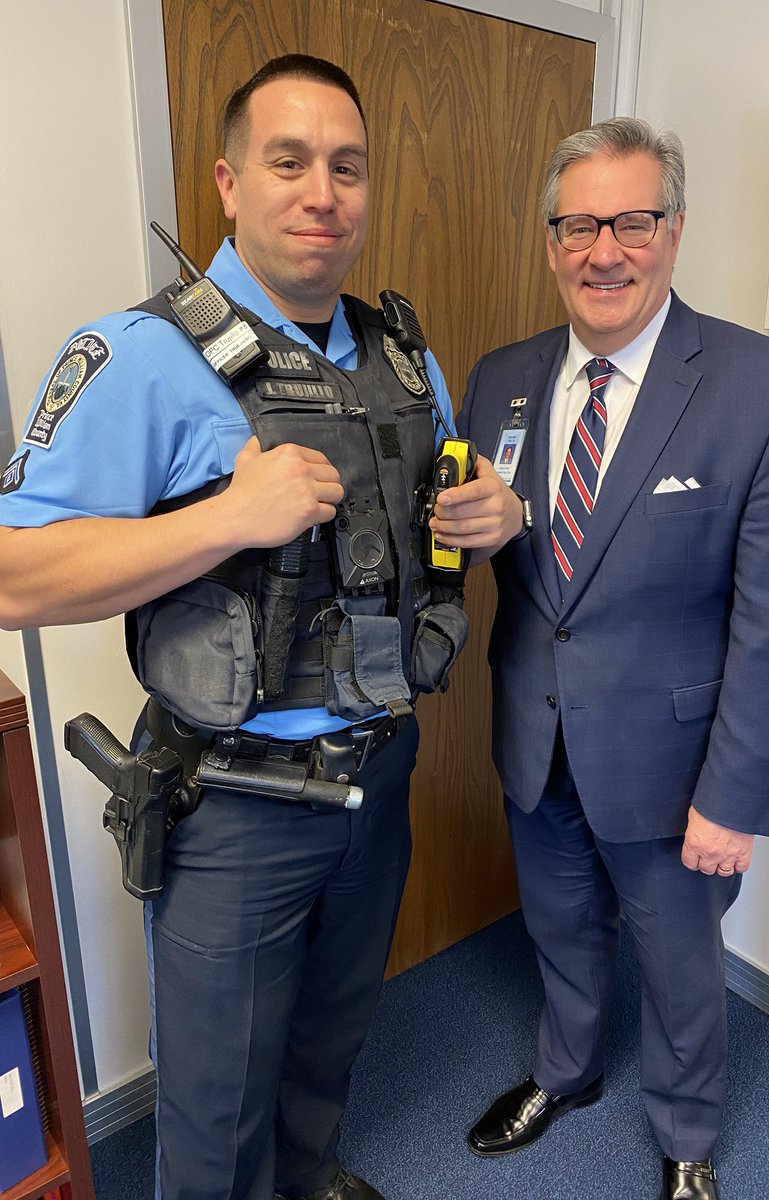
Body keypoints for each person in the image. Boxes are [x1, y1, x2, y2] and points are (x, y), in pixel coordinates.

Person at [0, 55, 465, 1200]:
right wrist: (226, 518)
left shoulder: (406, 360)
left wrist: (480, 518)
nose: (323, 194)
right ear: (227, 180)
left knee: (333, 1031)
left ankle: (308, 1176)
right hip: (236, 805)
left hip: (380, 772)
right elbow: (13, 577)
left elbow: (423, 532)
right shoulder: (139, 355)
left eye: (348, 167)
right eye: (288, 162)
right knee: (216, 1103)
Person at [429, 118, 769, 1199]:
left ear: (675, 230)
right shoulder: (501, 378)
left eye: (633, 222)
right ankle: (566, 1071)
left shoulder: (767, 386)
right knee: (558, 926)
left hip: (673, 763)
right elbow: (491, 554)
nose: (605, 251)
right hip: (536, 732)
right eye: (579, 226)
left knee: (679, 966)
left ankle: (687, 1133)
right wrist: (475, 534)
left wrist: (735, 799)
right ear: (551, 241)